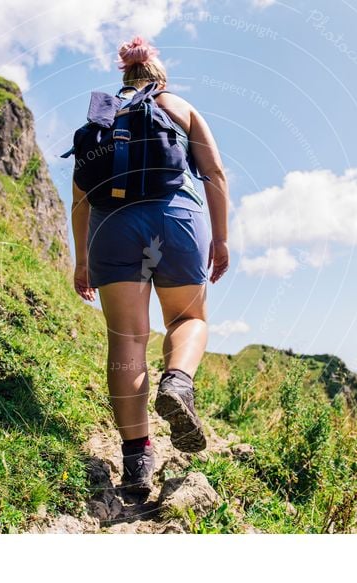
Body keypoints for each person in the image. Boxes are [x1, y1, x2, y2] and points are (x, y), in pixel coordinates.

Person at [70, 36, 230, 496]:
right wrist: (219, 238)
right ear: (160, 78)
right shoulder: (180, 108)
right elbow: (215, 174)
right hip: (176, 219)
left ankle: (136, 462)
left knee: (127, 341)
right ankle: (178, 382)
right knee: (188, 317)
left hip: (112, 228)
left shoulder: (102, 117)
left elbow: (81, 196)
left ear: (126, 79)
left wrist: (82, 260)